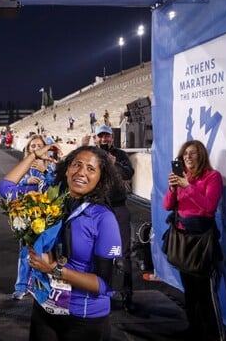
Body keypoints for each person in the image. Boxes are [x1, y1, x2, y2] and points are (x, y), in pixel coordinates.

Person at [0, 144, 124, 340]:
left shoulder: (103, 218)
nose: (81, 172)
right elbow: (5, 187)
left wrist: (54, 270)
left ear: (101, 178)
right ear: (66, 169)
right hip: (45, 308)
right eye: (76, 165)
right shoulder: (48, 199)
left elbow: (106, 285)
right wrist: (33, 155)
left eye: (91, 169)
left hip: (84, 318)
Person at [162, 140, 224, 341]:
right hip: (182, 239)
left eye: (193, 153)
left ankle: (213, 335)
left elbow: (208, 208)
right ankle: (194, 330)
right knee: (189, 291)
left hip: (202, 242)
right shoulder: (182, 177)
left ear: (201, 156)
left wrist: (187, 187)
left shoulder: (213, 177)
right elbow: (166, 206)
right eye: (185, 154)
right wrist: (173, 188)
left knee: (205, 293)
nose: (187, 157)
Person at [83, 124, 136, 312]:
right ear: (96, 138)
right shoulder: (91, 156)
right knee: (100, 253)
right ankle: (103, 292)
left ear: (112, 138)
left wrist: (113, 163)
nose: (104, 139)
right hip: (98, 209)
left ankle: (127, 294)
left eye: (107, 136)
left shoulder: (120, 155)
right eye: (101, 136)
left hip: (119, 208)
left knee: (125, 253)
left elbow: (129, 173)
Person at [0, 135, 56, 300]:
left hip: (49, 216)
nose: (36, 148)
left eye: (39, 145)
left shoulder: (52, 168)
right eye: (32, 146)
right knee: (25, 252)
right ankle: (21, 286)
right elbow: (9, 186)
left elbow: (57, 187)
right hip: (27, 215)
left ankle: (42, 286)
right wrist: (25, 181)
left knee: (46, 252)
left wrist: (45, 172)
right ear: (28, 150)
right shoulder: (23, 168)